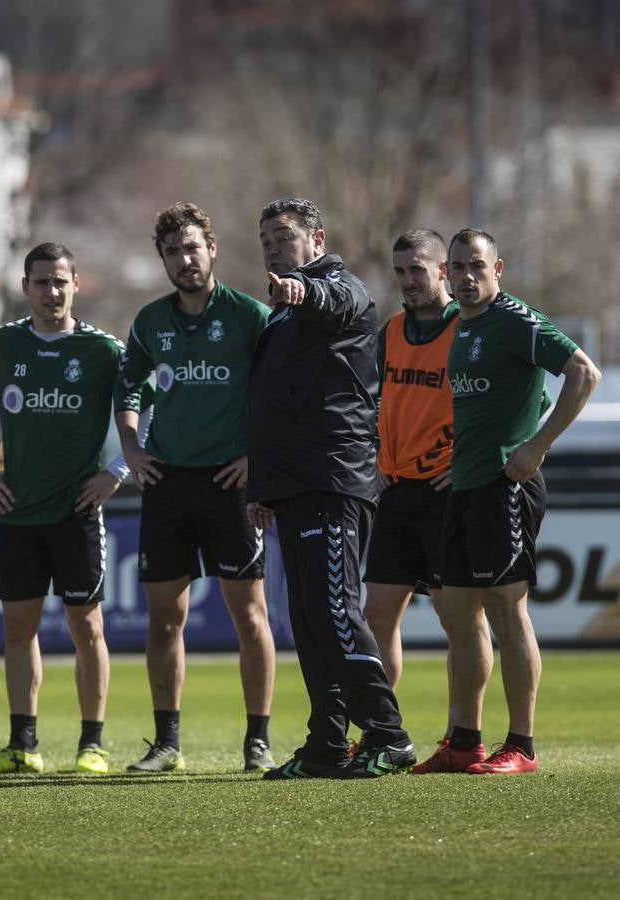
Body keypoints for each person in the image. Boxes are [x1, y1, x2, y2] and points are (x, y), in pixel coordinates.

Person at [246, 197, 415, 780]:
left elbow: (332, 299)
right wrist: (262, 487)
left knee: (336, 611)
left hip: (332, 478)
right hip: (293, 485)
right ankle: (326, 743)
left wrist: (305, 291)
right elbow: (275, 404)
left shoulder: (339, 289)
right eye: (265, 238)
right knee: (310, 620)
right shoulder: (279, 313)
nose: (273, 246)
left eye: (285, 236)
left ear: (317, 240)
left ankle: (389, 736)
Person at [427, 228, 600, 774]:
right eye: (457, 267)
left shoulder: (517, 319)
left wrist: (538, 445)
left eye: (476, 266)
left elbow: (583, 372)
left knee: (507, 610)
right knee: (456, 613)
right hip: (464, 484)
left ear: (497, 268)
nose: (466, 275)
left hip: (507, 486)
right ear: (446, 273)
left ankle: (521, 745)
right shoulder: (460, 325)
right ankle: (463, 741)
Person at [115, 203, 276, 774]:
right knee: (164, 620)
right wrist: (131, 449)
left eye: (192, 248)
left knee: (249, 615)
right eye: (173, 252)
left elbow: (280, 392)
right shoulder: (149, 321)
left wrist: (255, 458)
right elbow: (128, 388)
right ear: (162, 260)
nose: (185, 259)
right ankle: (167, 744)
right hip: (167, 482)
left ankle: (257, 740)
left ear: (213, 250)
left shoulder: (249, 316)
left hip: (230, 484)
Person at [0, 242, 127, 776]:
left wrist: (115, 472)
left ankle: (92, 745)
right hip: (19, 512)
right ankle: (22, 745)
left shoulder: (104, 351)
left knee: (88, 627)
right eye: (41, 282)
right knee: (17, 629)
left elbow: (139, 409)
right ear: (25, 287)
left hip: (77, 513)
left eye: (60, 281)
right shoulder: (4, 345)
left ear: (76, 283)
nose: (52, 292)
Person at [362, 229, 474, 767]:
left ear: (443, 272)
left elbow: (526, 401)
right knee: (377, 615)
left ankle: (460, 732)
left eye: (418, 270)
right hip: (397, 493)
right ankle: (383, 731)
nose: (408, 280)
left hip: (445, 495)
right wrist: (377, 458)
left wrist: (471, 460)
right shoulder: (391, 331)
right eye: (400, 270)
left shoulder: (470, 329)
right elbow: (370, 401)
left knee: (459, 620)